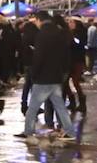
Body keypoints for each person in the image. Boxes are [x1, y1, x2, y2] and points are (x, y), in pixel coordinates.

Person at [17, 13, 78, 141]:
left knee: (33, 107)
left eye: (36, 22)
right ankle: (70, 131)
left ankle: (28, 131)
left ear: (40, 20)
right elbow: (65, 54)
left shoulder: (41, 34)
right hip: (56, 75)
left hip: (43, 77)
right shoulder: (59, 33)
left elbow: (39, 56)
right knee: (60, 106)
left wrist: (34, 73)